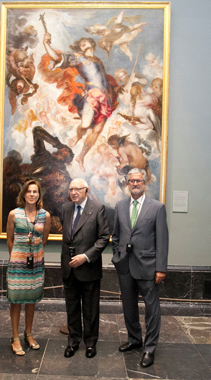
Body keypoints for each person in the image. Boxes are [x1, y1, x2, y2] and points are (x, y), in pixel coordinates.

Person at [111, 168, 168, 368]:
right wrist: (117, 256)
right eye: (132, 181)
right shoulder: (119, 206)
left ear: (145, 183)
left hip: (149, 267)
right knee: (128, 306)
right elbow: (116, 235)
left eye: (139, 181)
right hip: (125, 265)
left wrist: (161, 268)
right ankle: (135, 340)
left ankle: (150, 348)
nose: (135, 184)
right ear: (127, 183)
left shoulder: (157, 208)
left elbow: (162, 240)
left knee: (152, 309)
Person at [42, 33, 119, 172]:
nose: (82, 43)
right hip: (92, 94)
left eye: (85, 41)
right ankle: (78, 136)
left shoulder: (98, 60)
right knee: (85, 124)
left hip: (105, 98)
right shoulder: (78, 57)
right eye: (81, 42)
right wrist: (46, 43)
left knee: (97, 130)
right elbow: (57, 57)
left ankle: (81, 156)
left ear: (92, 43)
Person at [61, 178, 109, 359]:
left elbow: (104, 238)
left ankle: (90, 343)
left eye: (77, 189)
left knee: (90, 309)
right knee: (71, 307)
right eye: (71, 189)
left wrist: (85, 256)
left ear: (86, 190)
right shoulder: (66, 208)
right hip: (69, 268)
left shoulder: (97, 209)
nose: (73, 192)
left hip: (88, 268)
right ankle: (73, 342)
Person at [6, 180, 51, 356]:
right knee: (16, 300)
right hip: (18, 263)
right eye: (29, 191)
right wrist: (17, 256)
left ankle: (29, 334)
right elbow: (10, 239)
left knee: (31, 300)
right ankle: (15, 337)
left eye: (35, 191)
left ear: (39, 195)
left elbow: (44, 239)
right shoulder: (14, 214)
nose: (32, 194)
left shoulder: (45, 215)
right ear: (23, 194)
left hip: (36, 263)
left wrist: (34, 252)